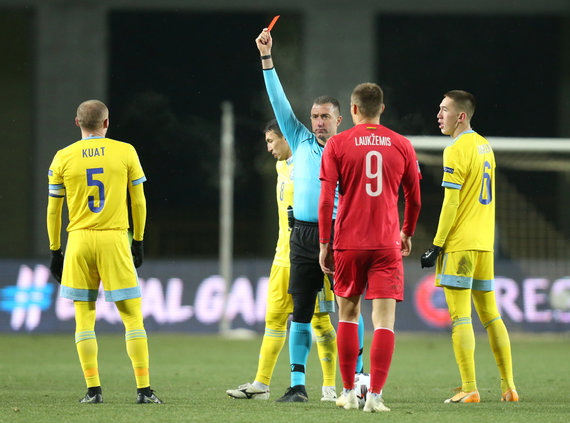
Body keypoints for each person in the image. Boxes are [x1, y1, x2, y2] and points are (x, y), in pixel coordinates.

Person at [256, 28, 366, 403]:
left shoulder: (350, 149)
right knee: (300, 311)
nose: (318, 122)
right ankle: (298, 385)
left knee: (348, 307)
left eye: (325, 117)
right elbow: (278, 101)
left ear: (340, 120)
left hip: (341, 235)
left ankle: (359, 378)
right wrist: (267, 58)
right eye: (315, 116)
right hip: (302, 236)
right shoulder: (299, 139)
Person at [46, 99, 162, 405]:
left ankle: (93, 391)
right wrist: (137, 240)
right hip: (114, 238)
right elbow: (138, 201)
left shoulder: (62, 157)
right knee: (132, 317)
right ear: (107, 123)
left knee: (84, 319)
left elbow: (53, 211)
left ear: (77, 123)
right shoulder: (125, 151)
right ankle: (144, 391)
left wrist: (55, 250)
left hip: (79, 240)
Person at [319, 83, 421, 412]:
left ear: (353, 110)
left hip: (348, 242)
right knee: (384, 322)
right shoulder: (402, 144)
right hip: (386, 243)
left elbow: (325, 200)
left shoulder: (337, 144)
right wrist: (406, 231)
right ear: (382, 109)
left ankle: (349, 392)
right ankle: (374, 396)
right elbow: (414, 198)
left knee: (348, 317)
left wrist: (325, 243)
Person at [226, 120, 338, 401]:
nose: (269, 147)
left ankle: (329, 387)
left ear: (287, 139)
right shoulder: (280, 167)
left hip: (312, 253)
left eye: (271, 141)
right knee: (274, 320)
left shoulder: (310, 166)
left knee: (320, 321)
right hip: (282, 258)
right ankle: (261, 385)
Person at [420, 90, 518, 403]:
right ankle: (509, 387)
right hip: (485, 245)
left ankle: (469, 388)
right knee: (491, 316)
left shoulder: (456, 149)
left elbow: (451, 202)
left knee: (461, 318)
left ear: (461, 116)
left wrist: (436, 245)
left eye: (445, 110)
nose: (439, 115)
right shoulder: (485, 147)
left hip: (460, 245)